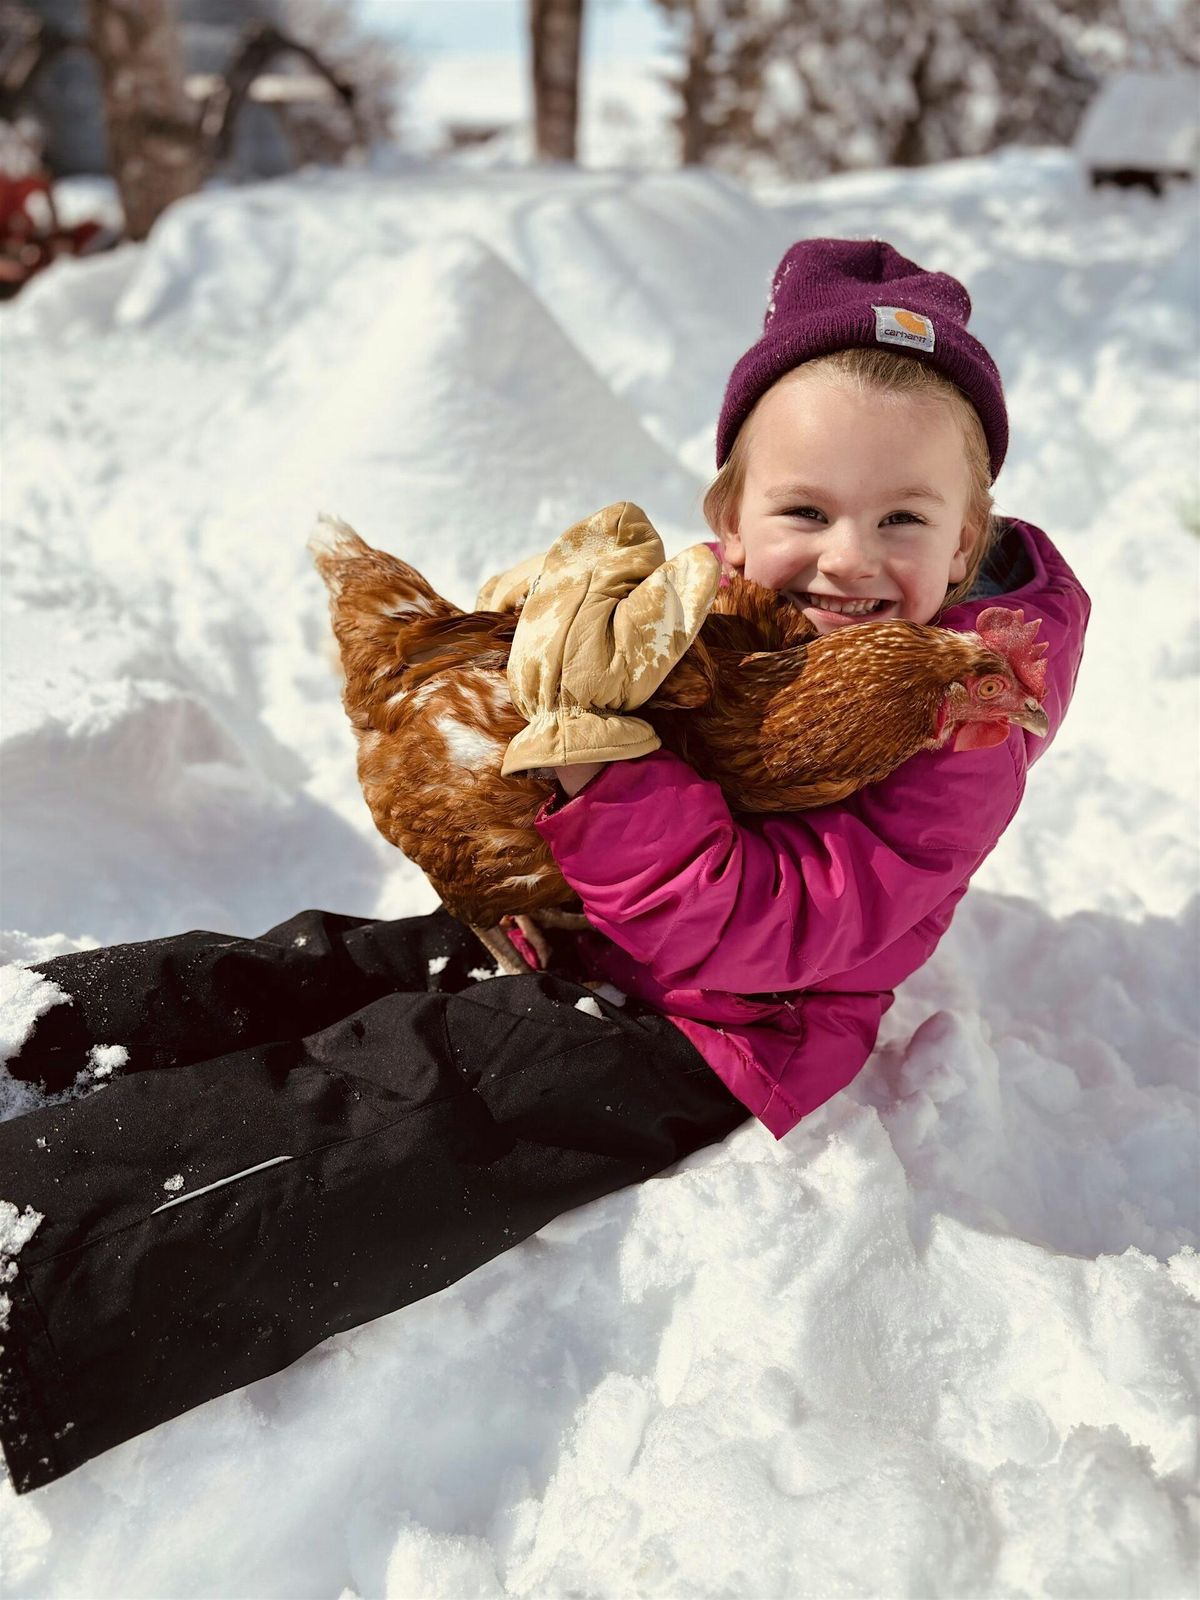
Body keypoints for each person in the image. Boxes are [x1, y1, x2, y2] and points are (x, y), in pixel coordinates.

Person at [0, 238, 1090, 1494]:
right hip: (577, 913)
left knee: (397, 1107)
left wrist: (603, 778)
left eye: (901, 519)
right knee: (314, 967)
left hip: (707, 1025)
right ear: (731, 525)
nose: (849, 557)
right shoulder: (735, 607)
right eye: (807, 512)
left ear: (964, 543)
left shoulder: (959, 718)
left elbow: (780, 931)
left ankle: (46, 1268)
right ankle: (40, 1033)